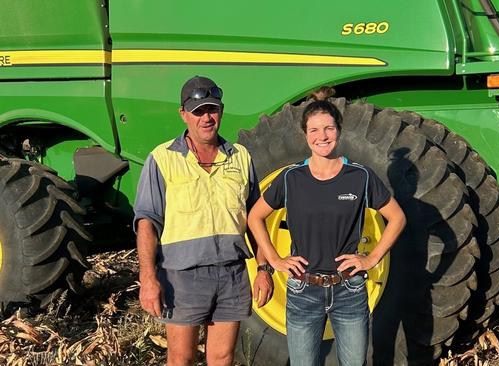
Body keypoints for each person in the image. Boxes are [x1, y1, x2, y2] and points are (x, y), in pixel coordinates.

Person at [247, 91, 406, 366]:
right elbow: (254, 217)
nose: (322, 136)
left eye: (329, 128)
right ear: (305, 135)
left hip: (350, 290)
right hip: (302, 291)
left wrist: (371, 258)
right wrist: (274, 259)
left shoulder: (360, 176)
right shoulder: (291, 178)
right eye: (314, 130)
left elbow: (397, 218)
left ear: (339, 131)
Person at [134, 76, 274, 366]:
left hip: (232, 275)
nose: (206, 118)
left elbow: (255, 220)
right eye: (198, 111)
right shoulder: (162, 159)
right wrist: (148, 278)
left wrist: (263, 269)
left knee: (222, 358)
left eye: (212, 110)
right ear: (183, 114)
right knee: (181, 358)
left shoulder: (240, 157)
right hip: (182, 277)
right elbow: (147, 221)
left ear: (221, 111)